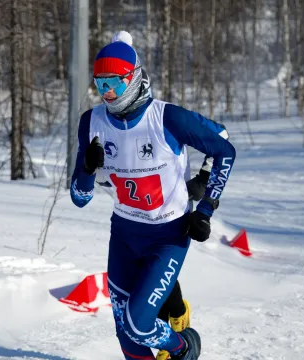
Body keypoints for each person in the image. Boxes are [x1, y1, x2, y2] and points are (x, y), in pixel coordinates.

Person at [70, 33, 236, 360]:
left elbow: (224, 148)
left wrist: (204, 206)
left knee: (140, 324)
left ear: (132, 78)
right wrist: (87, 168)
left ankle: (184, 346)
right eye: (100, 84)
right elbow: (79, 197)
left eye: (114, 83)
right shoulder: (92, 122)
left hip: (168, 235)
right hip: (124, 236)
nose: (107, 93)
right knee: (127, 338)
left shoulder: (166, 118)